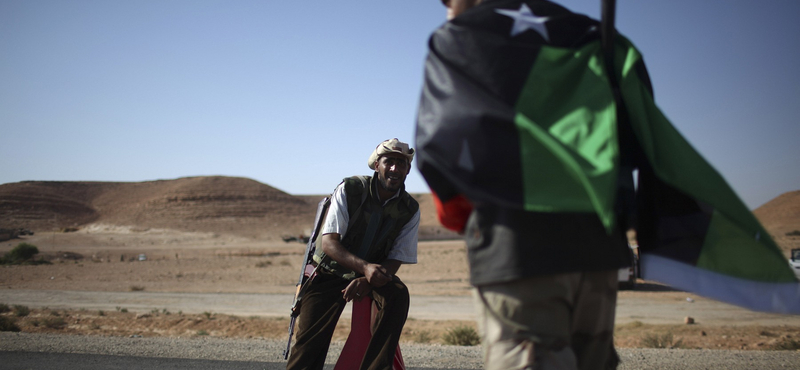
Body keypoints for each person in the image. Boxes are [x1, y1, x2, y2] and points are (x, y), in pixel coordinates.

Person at [416, 1, 644, 369]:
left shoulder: (461, 37)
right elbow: (634, 132)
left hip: (518, 246)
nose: (447, 10)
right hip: (599, 246)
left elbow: (442, 149)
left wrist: (472, 219)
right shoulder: (594, 34)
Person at [287, 138, 420, 370]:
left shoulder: (409, 208)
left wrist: (371, 278)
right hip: (328, 272)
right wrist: (365, 269)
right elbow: (330, 244)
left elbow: (398, 255)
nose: (395, 169)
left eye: (401, 164)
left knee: (397, 294)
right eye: (389, 162)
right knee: (308, 348)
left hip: (370, 276)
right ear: (377, 165)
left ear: (408, 169)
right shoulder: (350, 189)